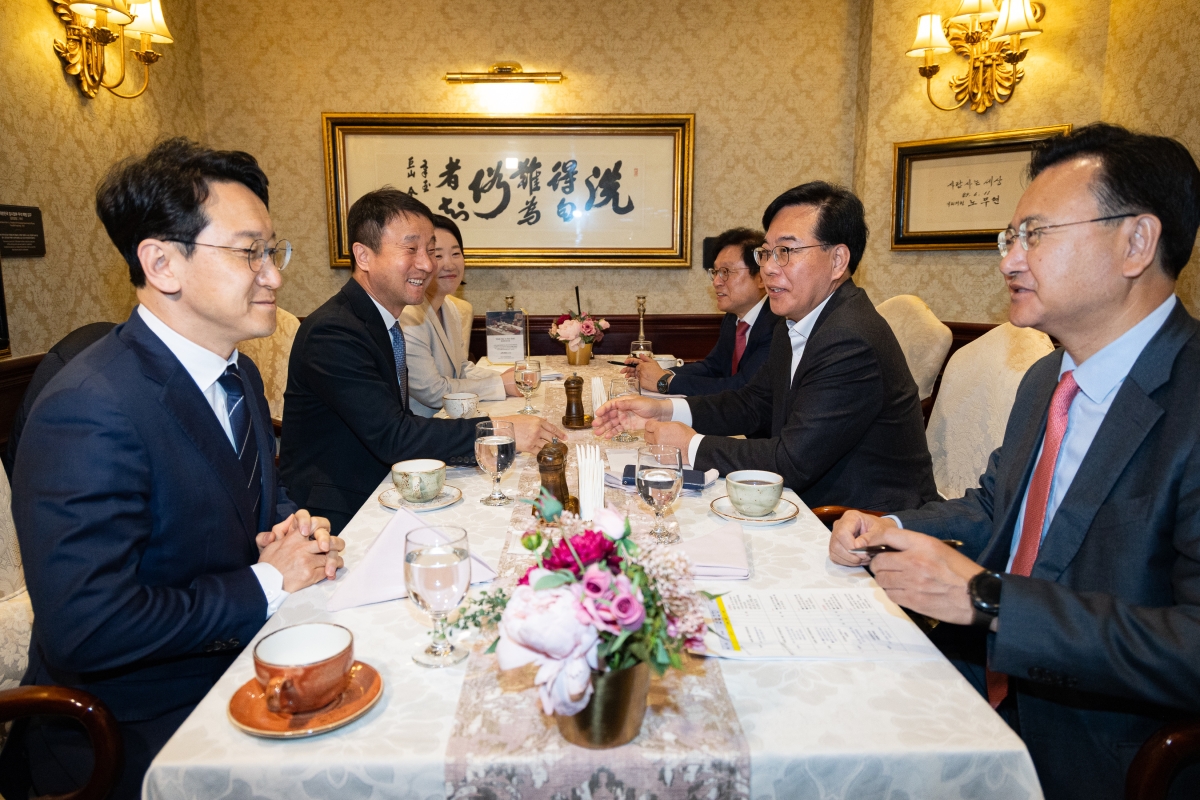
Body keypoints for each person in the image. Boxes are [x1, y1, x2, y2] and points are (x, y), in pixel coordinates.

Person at [828, 124, 1200, 800]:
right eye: (1010, 238)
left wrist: (990, 602)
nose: (1010, 261)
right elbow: (997, 508)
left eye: (1036, 235)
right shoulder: (1046, 379)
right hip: (980, 684)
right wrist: (890, 524)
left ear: (1136, 243)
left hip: (1110, 748)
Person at [0, 138, 344, 800]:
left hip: (243, 667)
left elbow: (247, 498)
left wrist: (292, 529)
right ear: (162, 264)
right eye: (249, 253)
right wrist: (268, 580)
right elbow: (89, 628)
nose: (273, 277)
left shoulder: (237, 374)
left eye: (273, 252)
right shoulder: (89, 407)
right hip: (135, 728)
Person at [595, 181, 938, 512]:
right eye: (767, 253)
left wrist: (690, 446)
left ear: (837, 260)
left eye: (786, 252)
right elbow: (753, 403)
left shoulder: (850, 338)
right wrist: (665, 410)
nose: (769, 268)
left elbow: (792, 461)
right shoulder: (795, 321)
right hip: (814, 502)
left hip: (863, 521)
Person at [280, 189, 562, 533]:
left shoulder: (379, 320)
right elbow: (393, 435)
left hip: (387, 486)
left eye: (430, 249)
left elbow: (394, 421)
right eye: (411, 249)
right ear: (363, 255)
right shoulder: (334, 331)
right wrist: (496, 431)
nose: (428, 264)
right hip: (338, 510)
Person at [623, 227, 779, 396]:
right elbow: (712, 367)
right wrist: (659, 372)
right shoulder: (732, 318)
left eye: (726, 272)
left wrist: (665, 382)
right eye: (716, 272)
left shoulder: (777, 325)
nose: (716, 282)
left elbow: (742, 387)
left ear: (761, 277)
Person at [400, 215, 521, 416]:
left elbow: (461, 368)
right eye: (437, 255)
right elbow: (433, 391)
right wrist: (500, 383)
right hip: (422, 426)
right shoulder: (408, 316)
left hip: (452, 417)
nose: (449, 264)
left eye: (456, 253)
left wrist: (506, 377)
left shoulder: (450, 307)